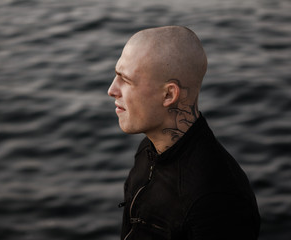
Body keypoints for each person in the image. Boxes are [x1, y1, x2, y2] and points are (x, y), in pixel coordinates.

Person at [107, 26, 260, 240]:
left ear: (169, 94)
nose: (112, 89)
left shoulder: (216, 199)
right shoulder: (148, 150)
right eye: (116, 76)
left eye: (126, 80)